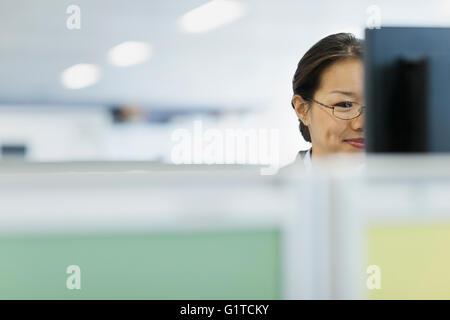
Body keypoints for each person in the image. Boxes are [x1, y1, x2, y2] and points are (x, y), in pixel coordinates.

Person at [291, 33, 365, 169]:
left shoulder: (404, 187)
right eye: (345, 105)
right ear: (302, 109)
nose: (362, 124)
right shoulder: (266, 189)